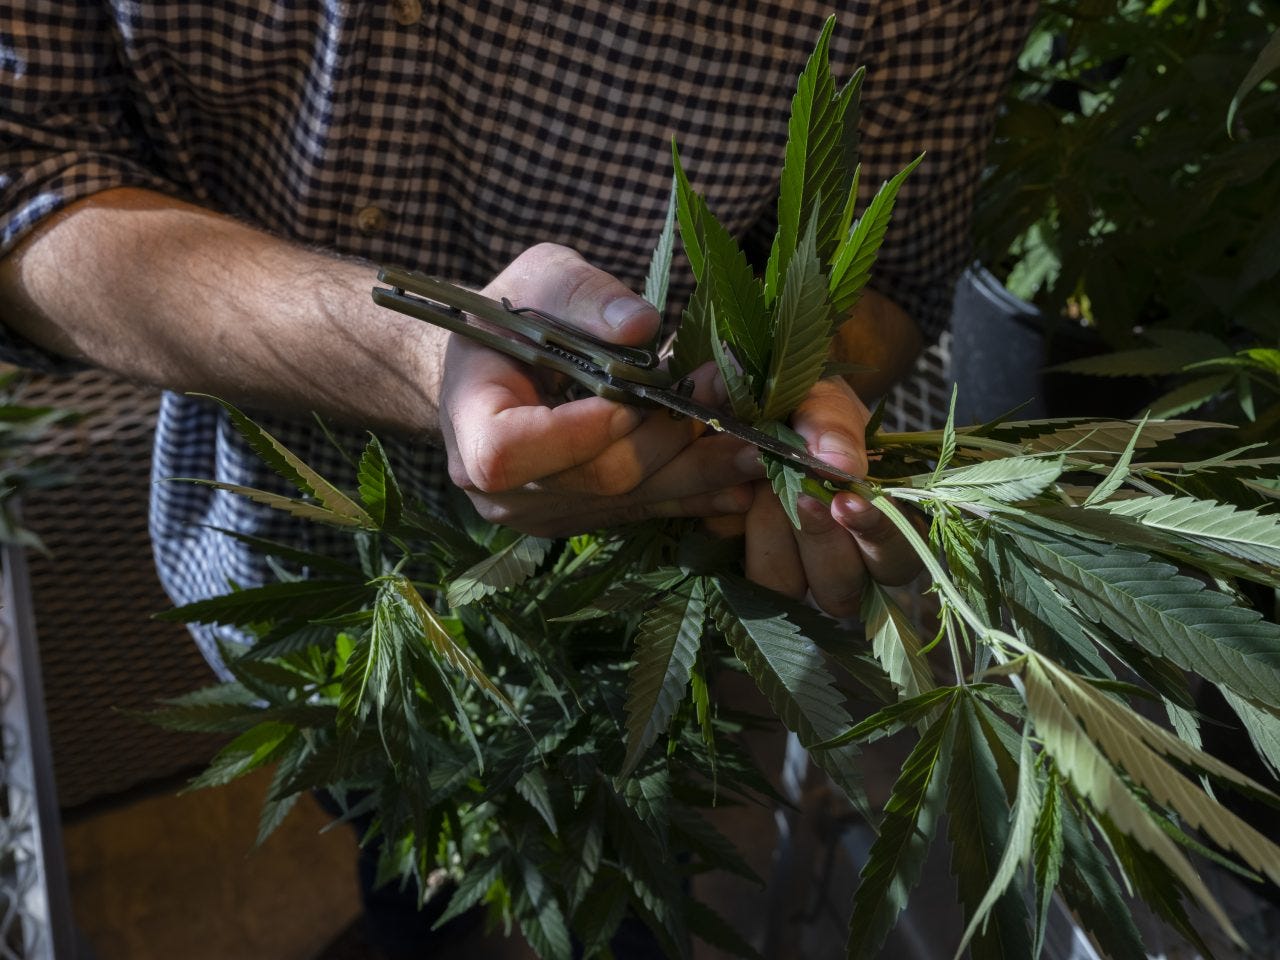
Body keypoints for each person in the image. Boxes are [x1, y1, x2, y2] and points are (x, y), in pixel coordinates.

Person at [0, 2, 1035, 956]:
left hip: (653, 625)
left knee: (627, 904)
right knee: (407, 864)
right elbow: (25, 164)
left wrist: (777, 390)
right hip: (319, 604)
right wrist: (421, 352)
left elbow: (891, 269)